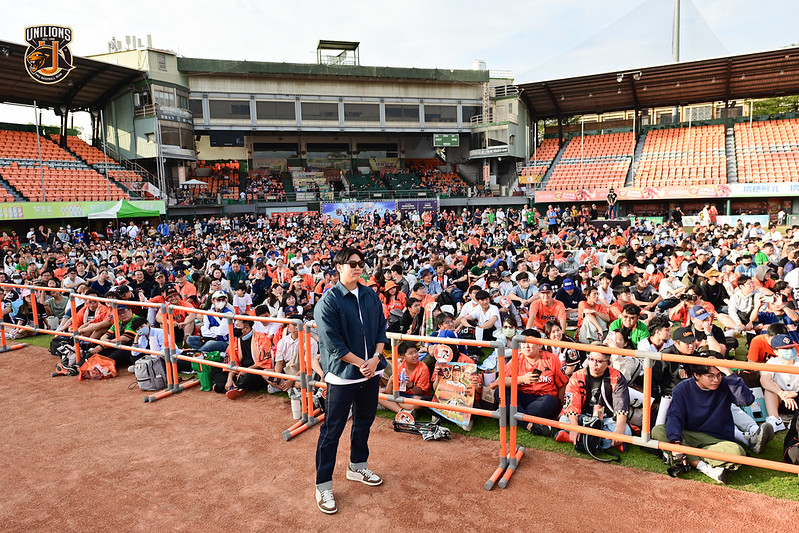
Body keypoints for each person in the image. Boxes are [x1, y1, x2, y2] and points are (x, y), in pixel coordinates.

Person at [313, 247, 388, 515]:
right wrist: (362, 364)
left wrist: (376, 359)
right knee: (331, 431)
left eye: (361, 263)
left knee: (364, 422)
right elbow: (333, 344)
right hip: (343, 376)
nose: (358, 268)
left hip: (371, 370)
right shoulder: (329, 301)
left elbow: (381, 328)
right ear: (339, 267)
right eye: (352, 264)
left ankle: (358, 466)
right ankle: (323, 485)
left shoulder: (370, 294)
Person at [652, 360, 756, 484]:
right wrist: (676, 443)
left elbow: (747, 400)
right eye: (711, 376)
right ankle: (702, 466)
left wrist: (729, 373)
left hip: (717, 439)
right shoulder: (682, 388)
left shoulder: (726, 383)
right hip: (689, 434)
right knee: (658, 430)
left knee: (737, 452)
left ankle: (686, 457)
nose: (716, 379)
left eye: (719, 374)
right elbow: (675, 417)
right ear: (696, 375)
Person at [556, 348, 631, 449]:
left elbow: (621, 405)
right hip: (583, 417)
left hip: (606, 419)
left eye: (599, 361)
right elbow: (572, 405)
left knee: (625, 430)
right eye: (591, 359)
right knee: (564, 420)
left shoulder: (616, 377)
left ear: (609, 363)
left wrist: (619, 432)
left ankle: (574, 438)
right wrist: (574, 427)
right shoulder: (578, 376)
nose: (594, 364)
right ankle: (602, 442)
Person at [496, 328, 567, 435]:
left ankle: (510, 414)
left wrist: (560, 409)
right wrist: (522, 379)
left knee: (551, 401)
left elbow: (562, 384)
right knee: (499, 392)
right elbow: (501, 380)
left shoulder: (551, 359)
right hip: (520, 397)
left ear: (540, 345)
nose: (526, 346)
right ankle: (529, 425)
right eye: (523, 343)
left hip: (542, 399)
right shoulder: (517, 358)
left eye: (530, 343)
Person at [760, 334, 799, 432]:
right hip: (780, 400)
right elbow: (764, 380)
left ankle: (796, 421)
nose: (789, 350)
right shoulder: (772, 362)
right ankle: (775, 420)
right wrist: (781, 393)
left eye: (791, 347)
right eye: (785, 349)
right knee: (770, 389)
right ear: (775, 351)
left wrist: (795, 393)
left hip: (797, 398)